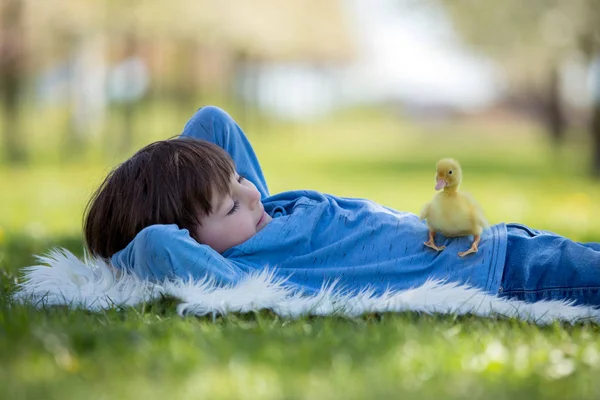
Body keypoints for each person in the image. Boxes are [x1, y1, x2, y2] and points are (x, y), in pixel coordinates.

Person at [84, 106, 600, 306]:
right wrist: (119, 254)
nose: (252, 193)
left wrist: (192, 174)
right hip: (502, 274)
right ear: (194, 245)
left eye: (241, 179)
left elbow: (212, 123)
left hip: (502, 240)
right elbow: (155, 244)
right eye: (229, 206)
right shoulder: (243, 272)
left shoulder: (261, 215)